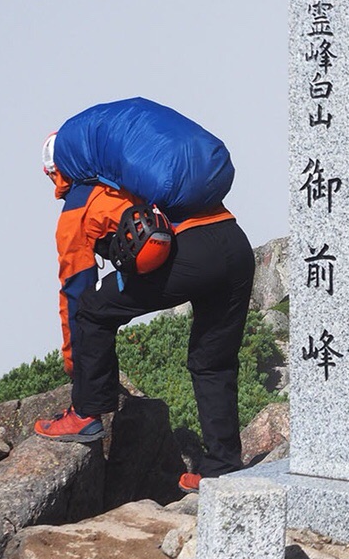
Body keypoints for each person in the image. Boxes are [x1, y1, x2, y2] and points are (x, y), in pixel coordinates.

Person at [34, 106, 254, 493]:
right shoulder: (135, 173)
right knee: (212, 361)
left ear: (58, 172)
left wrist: (77, 367)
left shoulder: (78, 208)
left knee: (91, 312)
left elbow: (75, 290)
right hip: (234, 244)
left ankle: (86, 414)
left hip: (190, 256)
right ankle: (222, 465)